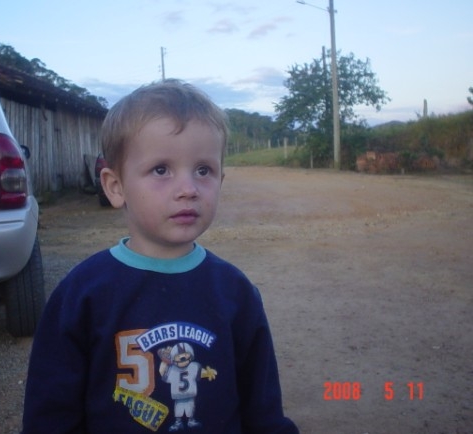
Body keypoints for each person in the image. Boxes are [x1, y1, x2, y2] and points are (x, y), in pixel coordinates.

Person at [21, 79, 299, 434]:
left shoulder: (235, 292)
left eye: (203, 170)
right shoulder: (82, 294)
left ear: (221, 180)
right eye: (161, 170)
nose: (188, 189)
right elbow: (50, 414)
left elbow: (263, 410)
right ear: (115, 187)